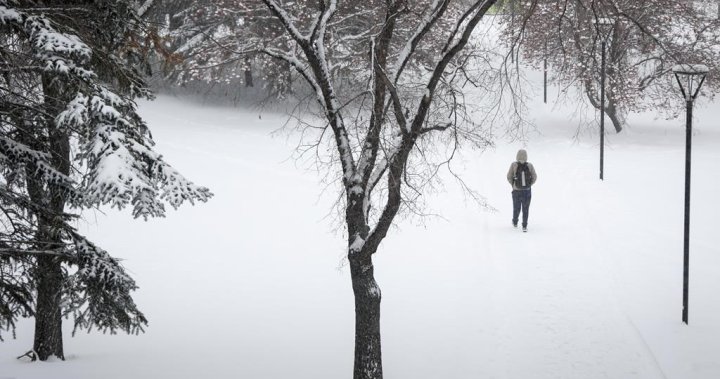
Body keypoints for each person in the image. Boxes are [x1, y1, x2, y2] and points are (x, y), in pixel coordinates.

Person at [506, 149, 537, 232]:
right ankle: (524, 226)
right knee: (525, 208)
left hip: (516, 191)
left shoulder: (513, 165)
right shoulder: (530, 165)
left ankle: (515, 222)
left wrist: (513, 184)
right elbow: (535, 177)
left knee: (516, 207)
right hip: (527, 191)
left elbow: (509, 176)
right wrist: (529, 185)